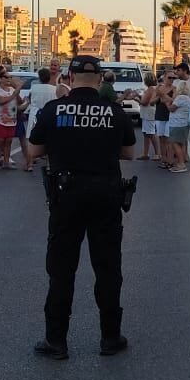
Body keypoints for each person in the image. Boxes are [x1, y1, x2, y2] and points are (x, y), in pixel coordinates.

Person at [25, 53, 136, 359]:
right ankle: (110, 338)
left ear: (70, 80)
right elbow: (129, 152)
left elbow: (34, 150)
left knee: (62, 270)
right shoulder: (114, 111)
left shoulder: (54, 109)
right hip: (106, 195)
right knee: (108, 268)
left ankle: (56, 340)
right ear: (100, 80)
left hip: (67, 195)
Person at [165, 61, 190, 173]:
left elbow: (172, 108)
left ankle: (181, 163)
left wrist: (167, 103)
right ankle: (181, 162)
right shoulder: (187, 99)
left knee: (175, 143)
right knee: (181, 143)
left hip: (177, 124)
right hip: (184, 124)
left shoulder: (180, 98)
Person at [0, 73, 20, 170]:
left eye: (10, 77)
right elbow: (1, 101)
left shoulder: (12, 90)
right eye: (6, 77)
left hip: (12, 120)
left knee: (9, 141)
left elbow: (19, 101)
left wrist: (17, 90)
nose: (9, 79)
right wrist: (14, 94)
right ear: (0, 79)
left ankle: (6, 162)